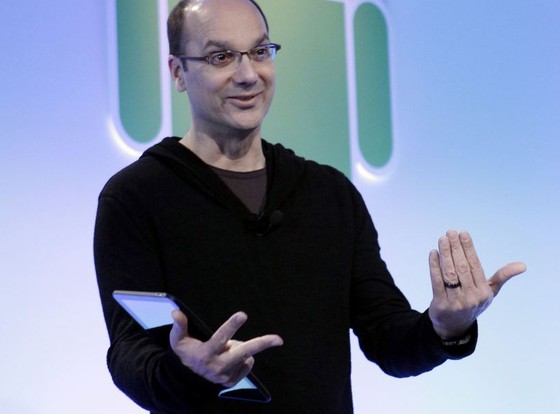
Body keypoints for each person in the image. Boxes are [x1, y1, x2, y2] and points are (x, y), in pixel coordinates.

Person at [94, 0, 526, 413]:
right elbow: (131, 356)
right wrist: (188, 369)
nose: (248, 74)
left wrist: (445, 326)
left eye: (260, 51)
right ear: (178, 72)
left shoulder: (328, 193)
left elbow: (389, 341)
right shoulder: (135, 198)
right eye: (221, 57)